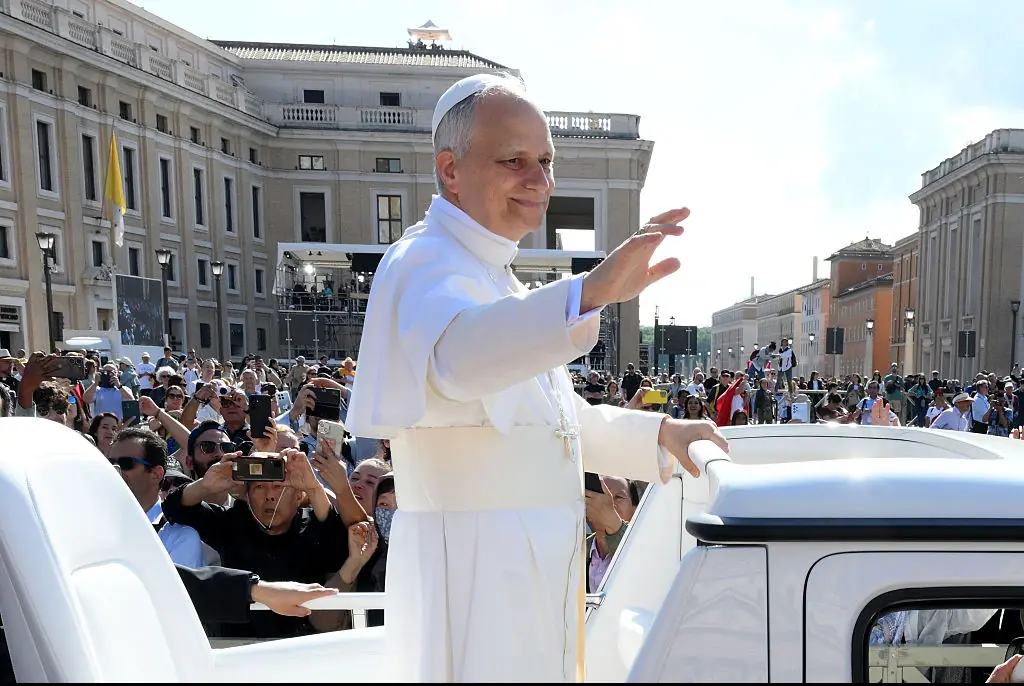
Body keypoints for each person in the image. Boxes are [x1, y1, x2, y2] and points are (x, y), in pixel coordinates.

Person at [346, 73, 727, 683]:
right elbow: (454, 361)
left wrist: (661, 433)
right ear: (450, 169)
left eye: (546, 161)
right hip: (475, 577)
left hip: (525, 571)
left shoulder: (499, 277)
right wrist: (591, 290)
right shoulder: (422, 259)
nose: (540, 181)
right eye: (515, 160)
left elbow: (553, 425)